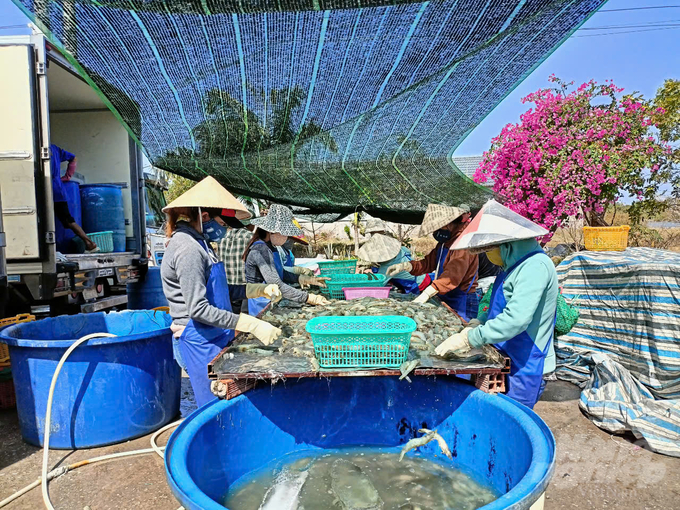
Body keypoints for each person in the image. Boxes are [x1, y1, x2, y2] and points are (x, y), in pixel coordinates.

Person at [160, 176, 283, 407]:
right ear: (205, 217)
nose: (224, 230)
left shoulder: (202, 244)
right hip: (198, 340)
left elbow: (220, 291)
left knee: (226, 405)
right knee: (213, 409)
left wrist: (257, 289)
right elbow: (198, 309)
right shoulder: (188, 249)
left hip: (215, 335)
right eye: (223, 224)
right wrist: (251, 324)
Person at [435, 200, 558, 409]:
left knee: (513, 420)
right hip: (505, 353)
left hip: (528, 363)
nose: (487, 254)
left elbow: (515, 320)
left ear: (506, 245)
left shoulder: (535, 266)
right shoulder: (510, 266)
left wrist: (469, 338)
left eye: (490, 249)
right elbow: (497, 305)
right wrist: (479, 320)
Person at [386, 204, 479, 320]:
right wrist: (406, 266)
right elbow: (427, 264)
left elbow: (451, 276)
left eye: (440, 227)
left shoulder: (463, 245)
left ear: (450, 223)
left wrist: (427, 293)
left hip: (463, 300)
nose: (437, 231)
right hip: (445, 295)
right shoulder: (444, 243)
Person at [244, 204, 330, 316]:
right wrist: (308, 297)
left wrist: (304, 279)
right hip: (261, 303)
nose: (286, 237)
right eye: (284, 233)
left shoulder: (271, 247)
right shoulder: (261, 249)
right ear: (272, 231)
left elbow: (280, 273)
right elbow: (276, 283)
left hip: (272, 299)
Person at [50, 144, 97, 251]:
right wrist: (68, 176)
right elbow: (73, 158)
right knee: (68, 221)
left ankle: (89, 243)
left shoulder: (35, 146)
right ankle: (89, 243)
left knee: (44, 220)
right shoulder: (54, 148)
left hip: (48, 189)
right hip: (58, 189)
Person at [357, 233, 431, 295]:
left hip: (419, 284)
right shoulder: (402, 249)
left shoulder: (387, 267)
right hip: (424, 275)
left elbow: (379, 285)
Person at [217, 220, 255, 313]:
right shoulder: (250, 237)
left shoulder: (222, 237)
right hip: (243, 286)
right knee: (243, 319)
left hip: (226, 284)